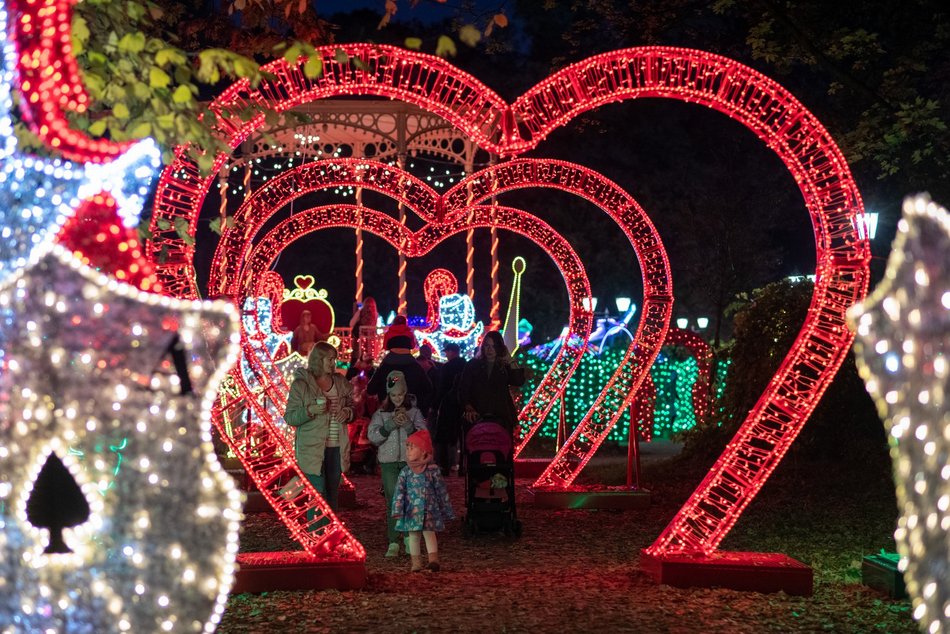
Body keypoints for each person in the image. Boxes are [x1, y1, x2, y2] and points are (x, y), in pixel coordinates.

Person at [284, 341, 354, 521]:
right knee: (317, 494)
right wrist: (310, 411)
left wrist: (347, 412)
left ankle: (330, 536)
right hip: (311, 449)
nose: (334, 364)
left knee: (332, 493)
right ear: (318, 360)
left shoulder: (340, 383)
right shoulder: (302, 385)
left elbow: (353, 409)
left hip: (336, 446)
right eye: (330, 360)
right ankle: (318, 538)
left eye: (334, 359)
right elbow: (290, 417)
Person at [368, 371, 427, 557]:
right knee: (393, 500)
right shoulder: (381, 414)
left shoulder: (414, 412)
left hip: (410, 462)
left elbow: (423, 436)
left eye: (400, 395)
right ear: (388, 395)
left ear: (405, 392)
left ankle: (410, 539)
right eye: (393, 395)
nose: (397, 399)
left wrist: (409, 426)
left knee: (410, 500)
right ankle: (393, 540)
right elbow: (373, 436)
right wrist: (389, 426)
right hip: (389, 462)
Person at [392, 429, 454, 572]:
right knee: (413, 536)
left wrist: (446, 509)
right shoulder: (406, 472)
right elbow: (399, 491)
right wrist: (397, 508)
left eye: (412, 448)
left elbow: (441, 490)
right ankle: (416, 563)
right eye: (407, 447)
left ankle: (433, 560)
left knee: (429, 533)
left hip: (429, 511)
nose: (408, 451)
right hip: (411, 512)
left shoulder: (432, 470)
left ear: (424, 452)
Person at [458, 330, 526, 434]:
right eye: (487, 345)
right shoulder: (473, 365)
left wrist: (510, 360)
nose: (490, 349)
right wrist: (468, 406)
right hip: (477, 416)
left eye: (493, 346)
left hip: (500, 417)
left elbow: (518, 381)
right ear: (483, 346)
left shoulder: (504, 366)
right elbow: (463, 388)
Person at [368, 319, 433, 416]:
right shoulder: (416, 368)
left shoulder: (384, 368)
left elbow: (371, 389)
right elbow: (428, 390)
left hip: (388, 414)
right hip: (411, 415)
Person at [432, 342, 466, 476]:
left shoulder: (447, 368)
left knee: (445, 436)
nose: (445, 354)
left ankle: (445, 466)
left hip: (448, 405)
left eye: (447, 352)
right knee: (461, 436)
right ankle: (461, 467)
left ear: (452, 352)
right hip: (463, 405)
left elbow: (442, 388)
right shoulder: (466, 366)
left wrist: (435, 405)